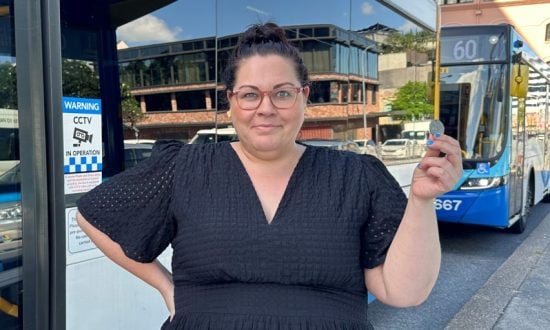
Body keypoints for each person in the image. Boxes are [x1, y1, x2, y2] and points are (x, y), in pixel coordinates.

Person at [76, 22, 463, 329]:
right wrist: (166, 286)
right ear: (231, 102)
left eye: (282, 93)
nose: (265, 108)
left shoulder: (356, 176)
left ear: (304, 97)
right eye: (250, 94)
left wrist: (422, 199)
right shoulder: (186, 167)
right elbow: (92, 215)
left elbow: (403, 292)